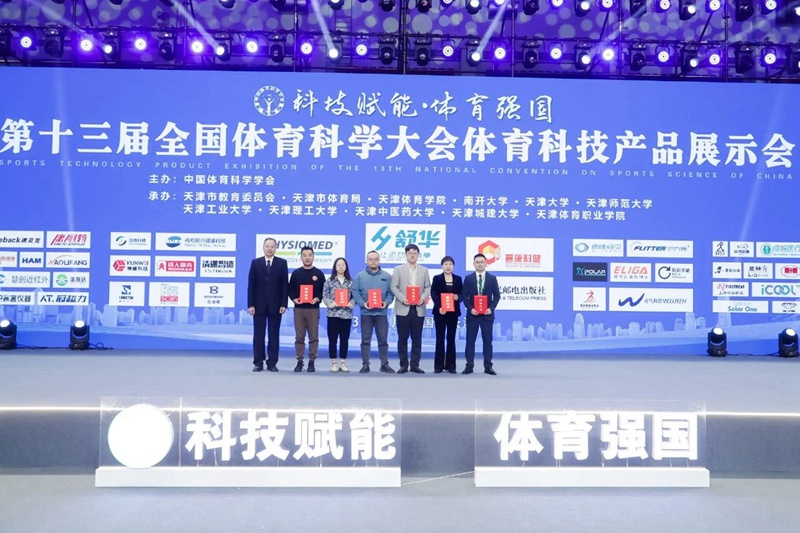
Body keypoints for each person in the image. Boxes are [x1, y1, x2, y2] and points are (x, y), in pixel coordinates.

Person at [247, 237, 288, 372]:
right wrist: (251, 304)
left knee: (273, 335)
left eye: (272, 246)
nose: (269, 249)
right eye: (267, 246)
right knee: (258, 335)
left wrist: (283, 304)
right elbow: (251, 285)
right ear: (263, 247)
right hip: (258, 305)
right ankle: (258, 362)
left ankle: (272, 363)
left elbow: (284, 285)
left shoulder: (282, 263)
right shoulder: (256, 263)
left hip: (276, 305)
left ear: (275, 248)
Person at [351, 251, 395, 374]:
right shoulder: (360, 276)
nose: (373, 261)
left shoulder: (386, 276)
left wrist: (386, 302)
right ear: (366, 261)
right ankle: (365, 364)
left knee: (383, 340)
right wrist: (362, 303)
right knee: (365, 340)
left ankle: (384, 364)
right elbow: (355, 291)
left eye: (376, 259)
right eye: (370, 259)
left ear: (379, 260)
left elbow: (390, 293)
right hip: (366, 313)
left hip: (381, 313)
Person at [390, 244, 432, 374]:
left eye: (414, 253)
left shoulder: (424, 270)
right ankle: (403, 365)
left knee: (417, 339)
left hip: (418, 308)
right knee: (402, 338)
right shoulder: (398, 269)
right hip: (403, 307)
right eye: (410, 253)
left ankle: (415, 365)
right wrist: (402, 298)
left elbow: (428, 287)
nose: (412, 255)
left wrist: (423, 298)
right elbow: (393, 287)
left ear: (418, 255)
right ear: (406, 254)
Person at [461, 253, 501, 375]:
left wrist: (491, 308)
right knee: (470, 341)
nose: (479, 264)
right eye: (477, 262)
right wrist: (470, 308)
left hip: (487, 315)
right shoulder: (468, 278)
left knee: (487, 342)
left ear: (486, 263)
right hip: (473, 315)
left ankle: (488, 366)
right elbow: (464, 295)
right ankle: (469, 366)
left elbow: (497, 295)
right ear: (473, 264)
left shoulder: (492, 278)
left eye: (482, 262)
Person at [288, 246, 326, 372]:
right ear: (301, 257)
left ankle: (312, 361)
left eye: (310, 255)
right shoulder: (296, 273)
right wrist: (294, 299)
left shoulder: (319, 274)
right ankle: (299, 361)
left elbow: (324, 291)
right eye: (304, 255)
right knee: (299, 337)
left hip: (313, 309)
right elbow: (290, 290)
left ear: (313, 257)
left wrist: (317, 298)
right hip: (299, 309)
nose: (307, 258)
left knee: (313, 337)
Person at [430, 256, 463, 374]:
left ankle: (451, 366)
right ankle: (438, 366)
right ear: (442, 266)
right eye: (445, 264)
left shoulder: (458, 279)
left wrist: (458, 297)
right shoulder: (437, 278)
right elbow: (434, 293)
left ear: (453, 266)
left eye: (450, 264)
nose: (448, 266)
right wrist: (439, 307)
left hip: (453, 313)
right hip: (440, 312)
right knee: (440, 338)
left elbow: (462, 293)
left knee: (451, 338)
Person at [322, 257, 355, 373]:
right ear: (335, 267)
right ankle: (334, 363)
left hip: (346, 315)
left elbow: (355, 296)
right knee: (332, 340)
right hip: (333, 314)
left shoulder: (351, 282)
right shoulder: (329, 281)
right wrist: (330, 303)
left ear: (346, 267)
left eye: (343, 265)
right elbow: (325, 296)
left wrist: (352, 303)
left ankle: (343, 363)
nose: (341, 267)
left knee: (344, 340)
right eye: (339, 265)